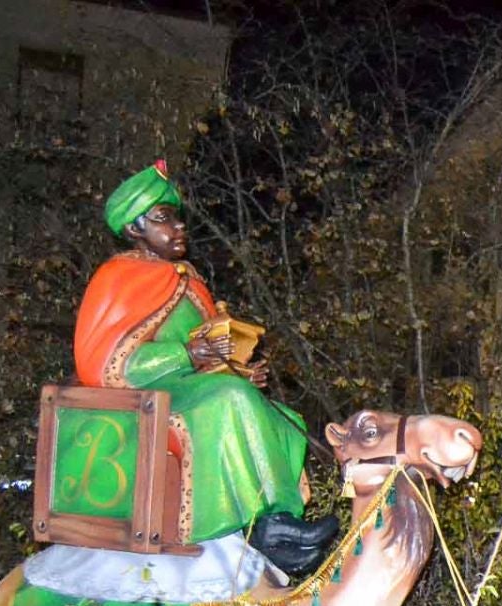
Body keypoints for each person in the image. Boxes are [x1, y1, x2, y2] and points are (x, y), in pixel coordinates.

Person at [73, 160, 336, 575]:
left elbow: (210, 355)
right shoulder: (118, 277)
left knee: (280, 415)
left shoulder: (189, 281)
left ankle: (283, 520)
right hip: (144, 398)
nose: (178, 229)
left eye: (178, 219)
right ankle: (262, 526)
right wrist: (185, 356)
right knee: (230, 399)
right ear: (133, 229)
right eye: (164, 220)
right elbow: (108, 367)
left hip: (191, 389)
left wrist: (239, 371)